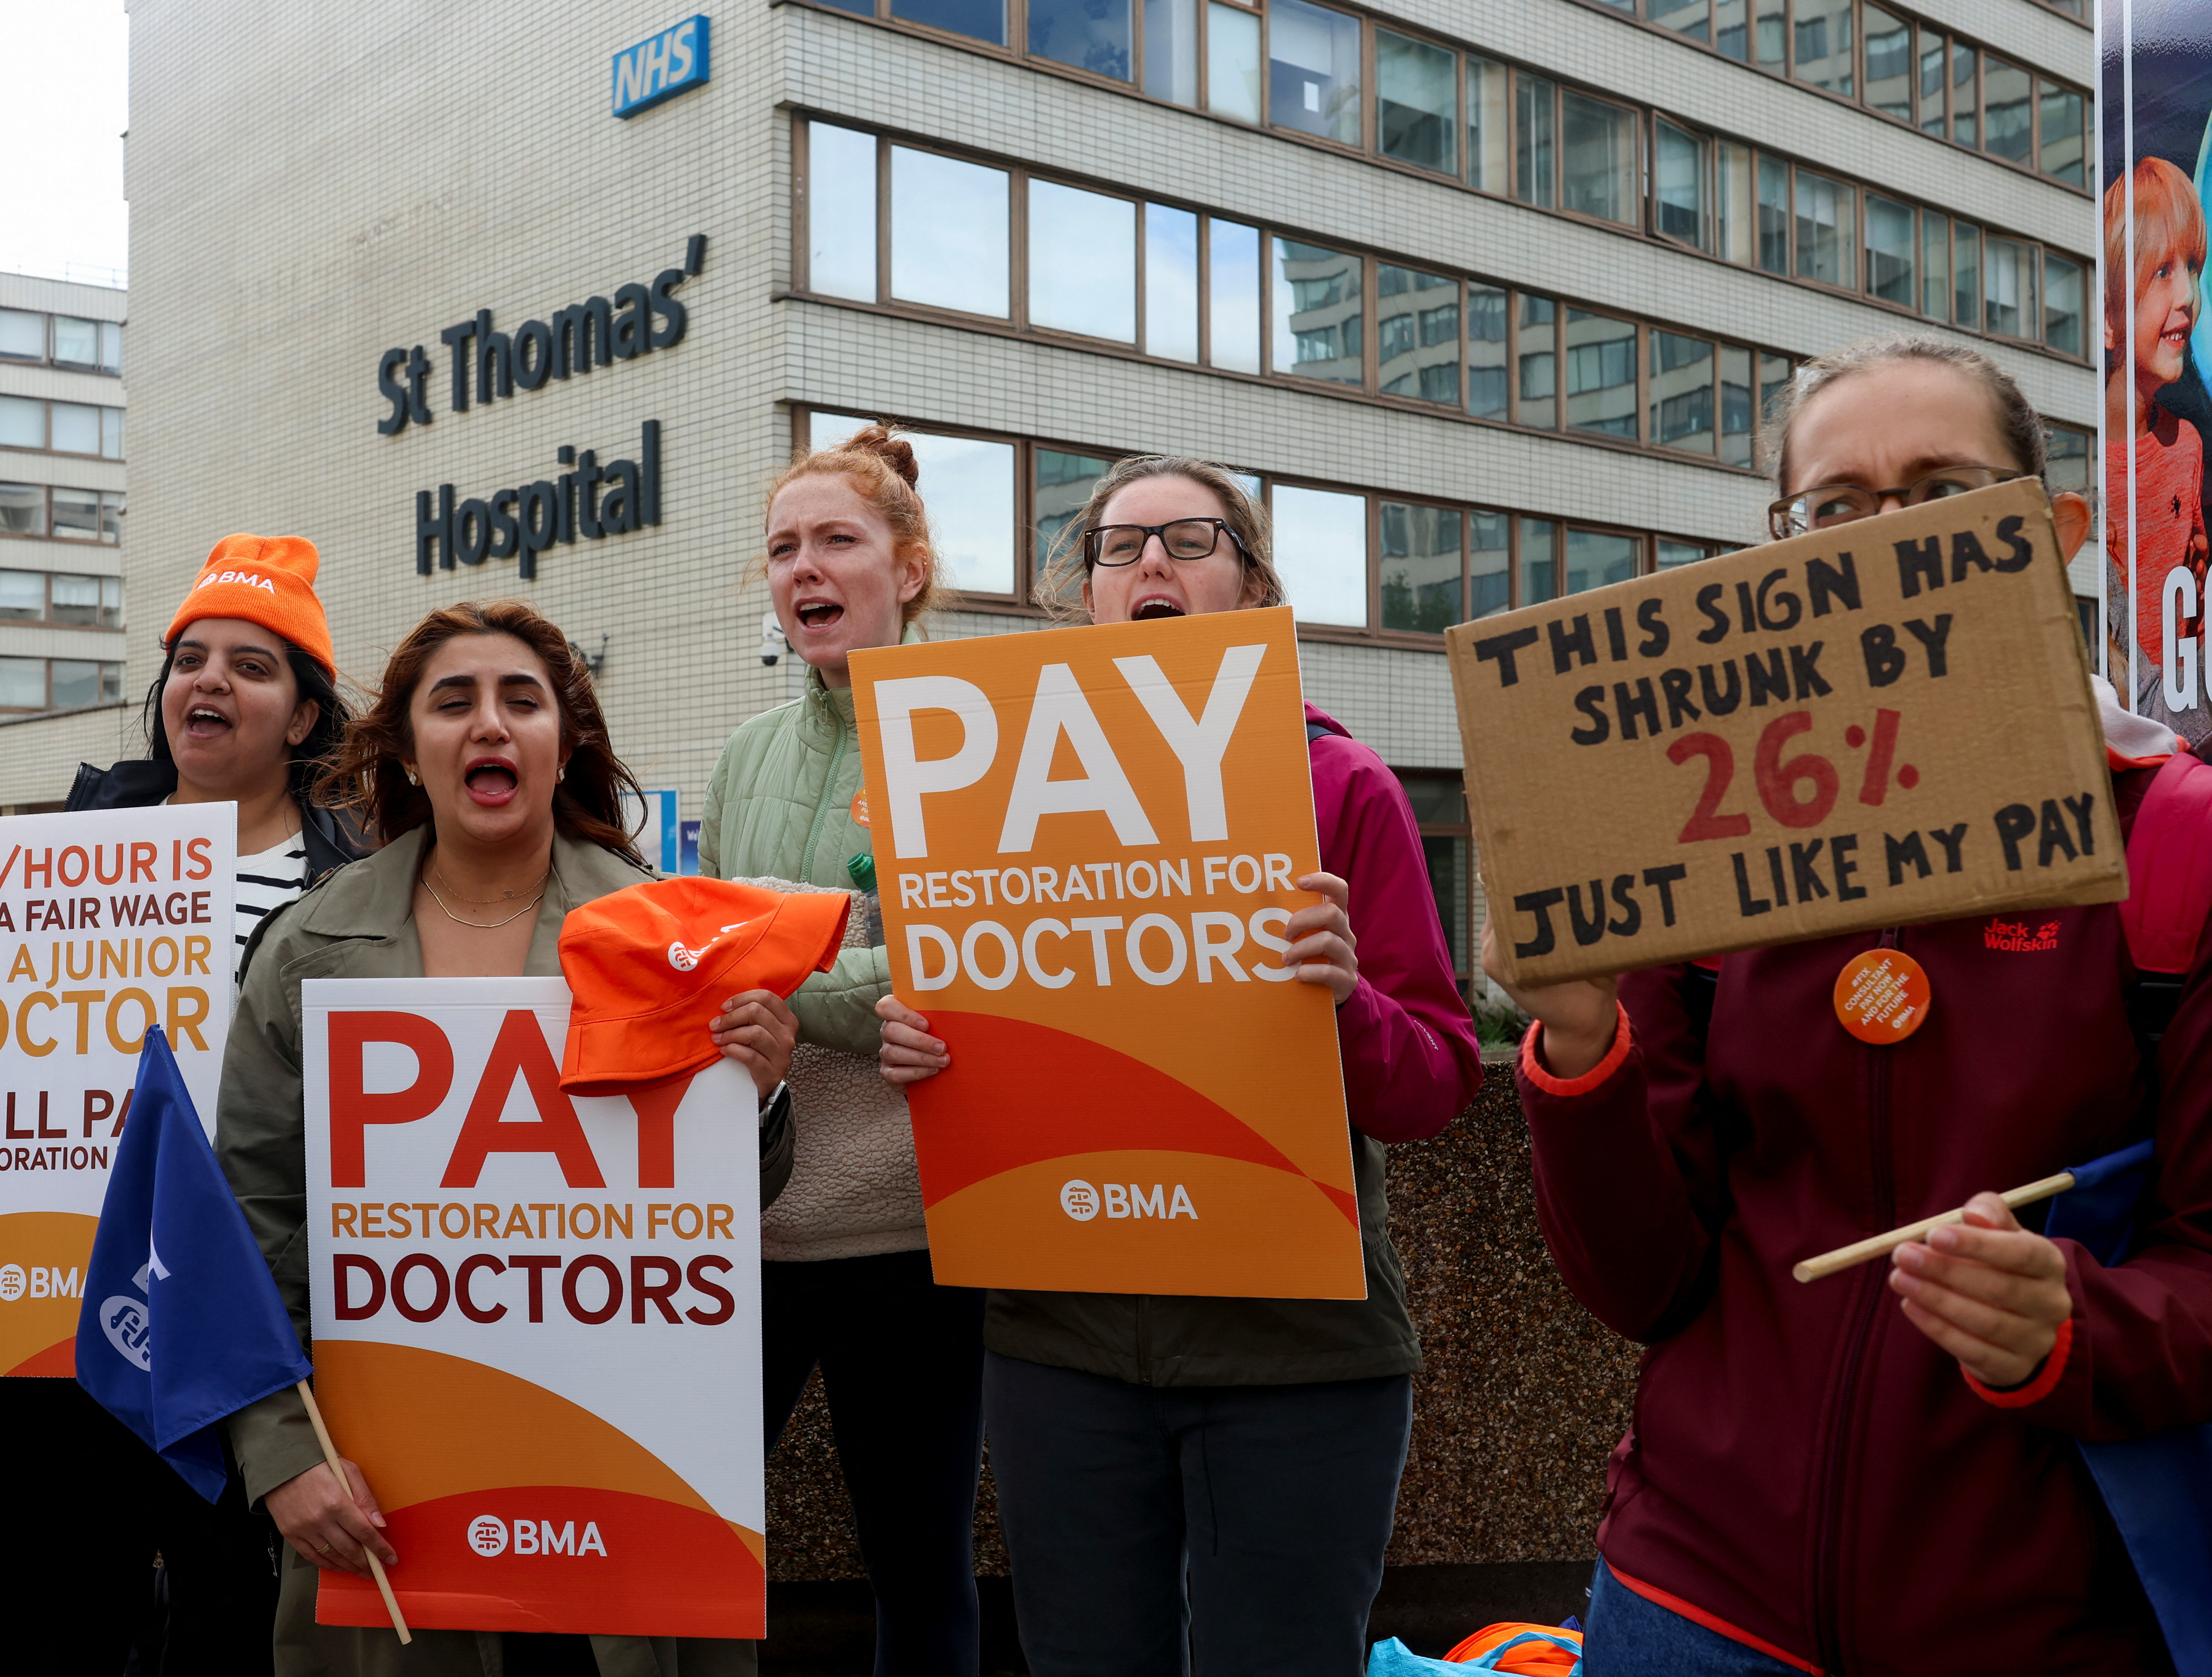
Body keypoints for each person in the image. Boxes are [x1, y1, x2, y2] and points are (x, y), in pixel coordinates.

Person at [1482, 335, 2212, 1672]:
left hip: (2035, 1625)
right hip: (1690, 1600)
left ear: (2051, 533)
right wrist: (1575, 1042)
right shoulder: (1686, 848)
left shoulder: (2178, 846)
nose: (1883, 548)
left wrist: (2074, 1324)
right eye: (1834, 511)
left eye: (1939, 496)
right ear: (1781, 552)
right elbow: (1643, 1283)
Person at [878, 457, 1482, 1676]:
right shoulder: (986, 793)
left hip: (1299, 1358)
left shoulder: (1339, 784)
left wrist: (1344, 998)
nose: (1149, 561)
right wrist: (924, 1047)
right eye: (1118, 546)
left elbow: (1433, 1082)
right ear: (1084, 597)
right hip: (1059, 1352)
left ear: (1250, 588)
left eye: (1188, 540)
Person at [212, 600, 800, 1677]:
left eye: (520, 700)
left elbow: (719, 1213)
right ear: (402, 745)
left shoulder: (671, 937)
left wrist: (753, 1096)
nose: (489, 724)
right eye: (454, 702)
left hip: (619, 1481)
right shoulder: (306, 949)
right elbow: (245, 1223)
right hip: (387, 1492)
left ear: (562, 741)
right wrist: (283, 1457)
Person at [0, 534, 361, 1676]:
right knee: (38, 1617)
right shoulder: (60, 857)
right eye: (190, 659)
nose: (208, 682)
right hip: (52, 1309)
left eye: (252, 666)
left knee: (230, 1621)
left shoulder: (361, 890)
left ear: (305, 716)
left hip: (252, 1313)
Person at [702, 424, 981, 1676]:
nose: (801, 567)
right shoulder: (743, 753)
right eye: (781, 546)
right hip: (745, 1226)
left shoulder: (980, 733)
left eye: (835, 540)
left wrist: (784, 992)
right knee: (700, 1541)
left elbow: (970, 971)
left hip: (916, 1232)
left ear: (908, 569)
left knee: (917, 1558)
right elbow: (702, 959)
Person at [2105, 156, 2212, 745]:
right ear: (2106, 318)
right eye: (2163, 271)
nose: (2189, 295)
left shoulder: (2188, 445)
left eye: (2193, 269)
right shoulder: (2090, 469)